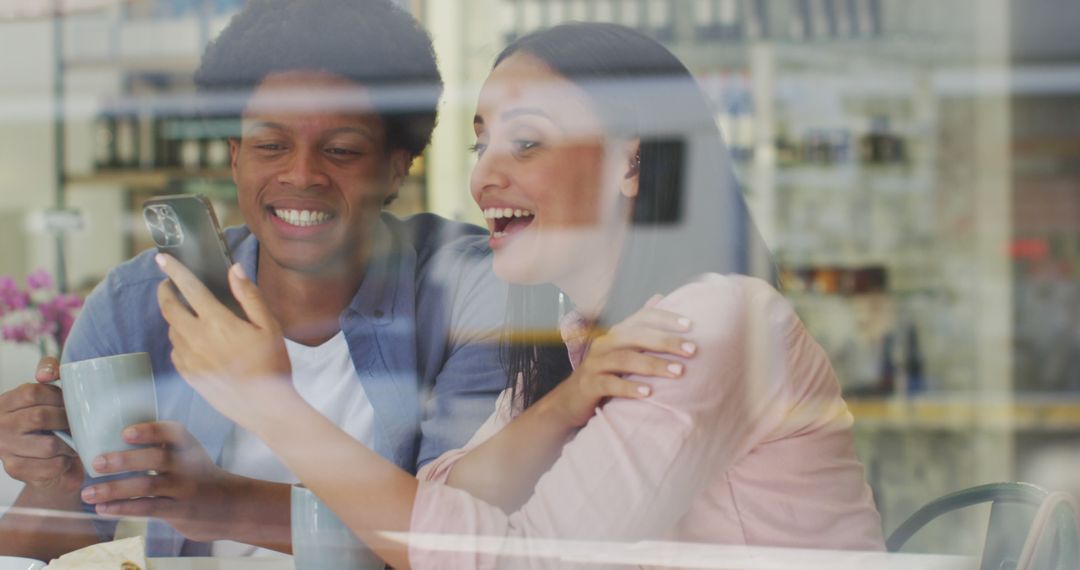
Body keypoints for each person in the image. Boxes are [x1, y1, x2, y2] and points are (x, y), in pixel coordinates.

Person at [155, 22, 885, 568]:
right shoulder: (579, 341)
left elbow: (518, 558)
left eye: (526, 142)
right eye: (482, 146)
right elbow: (451, 496)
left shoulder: (717, 321)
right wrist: (563, 407)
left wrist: (270, 404)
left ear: (629, 158)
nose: (484, 179)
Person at [0, 0, 507, 560]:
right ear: (235, 157)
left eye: (341, 150)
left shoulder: (468, 289)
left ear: (397, 165)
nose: (302, 174)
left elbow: (467, 542)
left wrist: (224, 504)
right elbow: (32, 551)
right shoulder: (136, 302)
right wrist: (58, 482)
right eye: (270, 146)